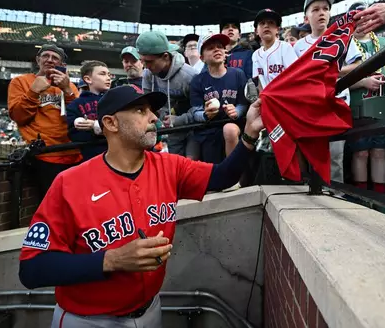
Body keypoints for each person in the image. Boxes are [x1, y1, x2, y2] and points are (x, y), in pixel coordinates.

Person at [18, 84, 265, 328]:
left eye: (152, 110)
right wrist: (112, 260)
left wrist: (250, 132)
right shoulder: (69, 183)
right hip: (88, 319)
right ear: (111, 123)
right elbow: (32, 269)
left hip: (150, 310)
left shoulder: (170, 166)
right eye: (140, 110)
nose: (153, 117)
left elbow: (223, 176)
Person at [294, 0, 363, 184]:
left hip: (337, 102)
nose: (321, 13)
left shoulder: (341, 37)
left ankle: (337, 195)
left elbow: (358, 65)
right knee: (314, 155)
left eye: (325, 8)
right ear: (306, 17)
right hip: (311, 106)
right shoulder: (299, 46)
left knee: (335, 156)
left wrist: (331, 70)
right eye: (315, 9)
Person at [347, 7, 385, 193]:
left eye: (366, 18)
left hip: (383, 102)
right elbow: (334, 82)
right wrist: (363, 82)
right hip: (358, 106)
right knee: (361, 152)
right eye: (357, 19)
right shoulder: (344, 46)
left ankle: (380, 196)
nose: (363, 22)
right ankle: (363, 196)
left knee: (380, 151)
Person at [8, 44, 81, 198]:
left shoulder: (70, 86)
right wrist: (33, 92)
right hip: (45, 155)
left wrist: (67, 91)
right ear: (37, 60)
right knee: (51, 205)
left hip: (74, 154)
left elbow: (79, 119)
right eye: (45, 56)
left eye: (55, 58)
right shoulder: (21, 82)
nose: (49, 60)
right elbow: (19, 117)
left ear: (62, 65)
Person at [190, 33, 249, 165]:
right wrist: (205, 115)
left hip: (235, 125)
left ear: (225, 52)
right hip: (209, 130)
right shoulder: (197, 80)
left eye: (220, 47)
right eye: (210, 48)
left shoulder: (238, 74)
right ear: (202, 57)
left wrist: (237, 112)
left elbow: (243, 104)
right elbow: (195, 112)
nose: (217, 49)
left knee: (230, 129)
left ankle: (234, 178)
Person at [138, 31, 196, 156]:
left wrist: (179, 120)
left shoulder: (189, 76)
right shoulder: (148, 74)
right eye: (142, 61)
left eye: (149, 61)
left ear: (165, 56)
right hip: (170, 131)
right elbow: (147, 103)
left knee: (191, 163)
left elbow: (199, 109)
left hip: (193, 129)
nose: (145, 66)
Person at [66, 61, 111, 161]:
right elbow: (74, 135)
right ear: (88, 79)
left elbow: (122, 129)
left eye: (109, 75)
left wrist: (94, 126)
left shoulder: (115, 100)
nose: (108, 78)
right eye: (102, 74)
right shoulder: (75, 105)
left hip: (117, 156)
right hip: (90, 158)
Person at [251, 9, 298, 90]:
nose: (266, 26)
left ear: (277, 29)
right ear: (256, 31)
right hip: (267, 99)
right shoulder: (255, 55)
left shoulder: (285, 47)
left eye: (271, 23)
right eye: (262, 23)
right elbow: (259, 83)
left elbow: (295, 76)